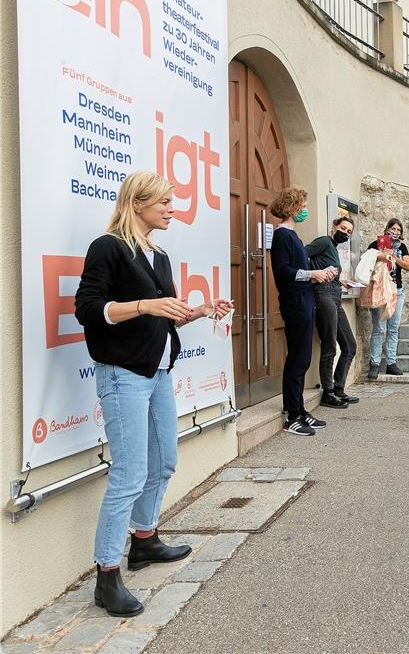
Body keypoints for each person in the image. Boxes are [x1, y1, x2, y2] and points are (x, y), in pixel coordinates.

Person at [74, 171, 233, 617]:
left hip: (159, 370)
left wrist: (198, 311)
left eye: (173, 202)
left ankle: (143, 540)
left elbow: (166, 317)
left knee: (163, 460)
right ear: (138, 202)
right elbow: (87, 310)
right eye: (164, 202)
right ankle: (107, 576)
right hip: (123, 374)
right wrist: (144, 305)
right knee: (129, 472)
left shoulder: (159, 256)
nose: (171, 209)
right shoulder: (108, 247)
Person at [269, 187, 336, 435]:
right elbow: (283, 272)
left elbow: (297, 272)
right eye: (303, 205)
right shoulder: (282, 236)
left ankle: (299, 410)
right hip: (295, 303)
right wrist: (312, 274)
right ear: (294, 207)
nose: (305, 210)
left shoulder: (292, 235)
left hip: (304, 299)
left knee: (303, 358)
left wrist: (318, 276)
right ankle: (292, 416)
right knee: (297, 359)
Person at [306, 216, 359, 408]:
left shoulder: (333, 249)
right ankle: (328, 393)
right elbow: (302, 254)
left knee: (350, 346)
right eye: (343, 228)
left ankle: (338, 388)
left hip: (335, 295)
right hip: (323, 295)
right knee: (329, 345)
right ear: (334, 226)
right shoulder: (324, 241)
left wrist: (341, 281)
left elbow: (327, 269)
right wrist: (312, 275)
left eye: (349, 232)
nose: (345, 233)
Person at [366, 218, 409, 379]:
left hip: (396, 292)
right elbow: (367, 262)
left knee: (393, 328)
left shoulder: (402, 247)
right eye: (393, 229)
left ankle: (391, 363)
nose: (396, 232)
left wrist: (394, 257)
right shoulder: (376, 244)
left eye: (399, 230)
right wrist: (381, 255)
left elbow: (408, 266)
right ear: (387, 229)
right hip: (380, 291)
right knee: (379, 329)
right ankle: (375, 363)